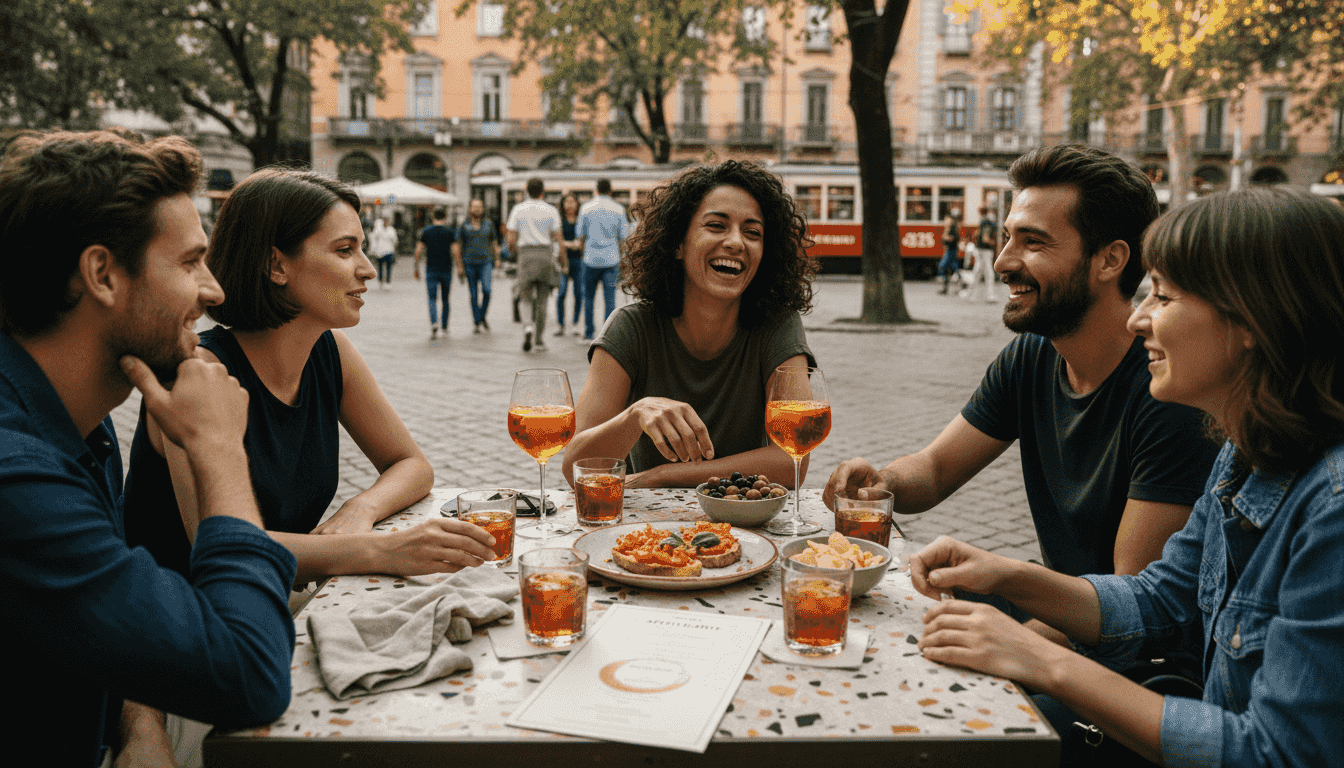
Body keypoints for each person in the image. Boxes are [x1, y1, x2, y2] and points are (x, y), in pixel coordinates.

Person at [913, 187, 1344, 766]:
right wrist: (1005, 575)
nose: (1138, 318)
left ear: (1253, 320)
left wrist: (1043, 662)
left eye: (1162, 297)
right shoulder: (1245, 453)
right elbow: (1161, 597)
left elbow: (1275, 753)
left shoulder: (1332, 507)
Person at [824, 144, 1220, 646]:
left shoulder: (1168, 393)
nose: (1003, 262)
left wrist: (1006, 646)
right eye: (1008, 237)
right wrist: (881, 485)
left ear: (1110, 260)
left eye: (1033, 242)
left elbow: (1131, 607)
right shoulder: (1032, 356)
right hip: (1057, 606)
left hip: (1125, 655)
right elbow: (936, 470)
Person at [0, 130, 297, 766]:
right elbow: (250, 674)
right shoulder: (18, 475)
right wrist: (218, 450)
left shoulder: (77, 410)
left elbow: (104, 604)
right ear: (102, 274)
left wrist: (139, 725)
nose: (214, 290)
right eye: (190, 263)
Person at [562, 160, 817, 488]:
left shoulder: (779, 327)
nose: (736, 242)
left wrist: (662, 476)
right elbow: (575, 466)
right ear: (677, 244)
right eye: (716, 226)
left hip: (748, 526)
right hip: (646, 532)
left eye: (753, 232)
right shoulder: (631, 327)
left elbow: (791, 461)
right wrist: (635, 415)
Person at [504, 177, 563, 352]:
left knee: (525, 297)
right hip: (545, 255)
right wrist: (563, 260)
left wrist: (514, 252)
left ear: (526, 190)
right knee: (543, 300)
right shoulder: (551, 210)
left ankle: (527, 327)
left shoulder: (518, 209)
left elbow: (511, 238)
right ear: (542, 191)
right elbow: (558, 238)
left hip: (526, 255)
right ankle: (538, 340)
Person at [577, 178, 631, 340]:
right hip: (611, 260)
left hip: (590, 259)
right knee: (610, 299)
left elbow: (580, 234)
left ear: (597, 190)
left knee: (589, 298)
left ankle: (588, 333)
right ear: (611, 190)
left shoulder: (586, 208)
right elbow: (624, 236)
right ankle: (607, 336)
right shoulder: (619, 209)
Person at [456, 198, 501, 334]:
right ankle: (477, 322)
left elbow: (494, 242)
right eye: (474, 207)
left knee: (487, 290)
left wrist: (497, 258)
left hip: (486, 263)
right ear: (469, 209)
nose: (477, 209)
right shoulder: (464, 225)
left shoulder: (489, 224)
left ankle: (481, 316)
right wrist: (459, 266)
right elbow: (458, 246)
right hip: (469, 263)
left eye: (479, 207)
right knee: (473, 294)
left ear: (483, 209)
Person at [413, 207, 456, 339]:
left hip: (431, 269)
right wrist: (460, 267)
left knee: (432, 298)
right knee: (445, 299)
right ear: (445, 217)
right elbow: (456, 251)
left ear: (433, 216)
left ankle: (433, 323)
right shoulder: (449, 232)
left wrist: (416, 266)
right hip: (446, 269)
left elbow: (419, 250)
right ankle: (444, 325)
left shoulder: (426, 231)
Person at [554, 192, 585, 336]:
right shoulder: (559, 221)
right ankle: (560, 325)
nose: (570, 205)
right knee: (561, 294)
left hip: (579, 261)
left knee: (579, 293)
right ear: (563, 204)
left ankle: (575, 324)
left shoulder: (581, 220)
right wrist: (571, 244)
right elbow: (557, 242)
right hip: (562, 262)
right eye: (567, 202)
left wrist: (565, 244)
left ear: (577, 204)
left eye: (573, 202)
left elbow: (582, 242)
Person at [969, 205, 999, 303]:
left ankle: (971, 294)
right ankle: (989, 295)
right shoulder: (988, 222)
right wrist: (993, 242)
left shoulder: (983, 222)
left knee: (978, 271)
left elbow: (981, 236)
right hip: (986, 250)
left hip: (981, 249)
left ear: (980, 212)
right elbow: (986, 238)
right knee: (988, 273)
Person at [937, 206, 964, 294]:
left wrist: (945, 234)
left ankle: (949, 286)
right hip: (951, 250)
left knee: (942, 266)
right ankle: (960, 284)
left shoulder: (953, 227)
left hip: (951, 250)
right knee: (953, 268)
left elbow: (950, 239)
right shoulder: (954, 226)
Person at [368, 217, 398, 287]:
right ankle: (381, 281)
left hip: (389, 251)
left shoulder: (391, 230)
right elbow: (373, 240)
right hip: (380, 252)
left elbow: (395, 240)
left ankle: (387, 282)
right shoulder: (378, 230)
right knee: (380, 267)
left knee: (388, 267)